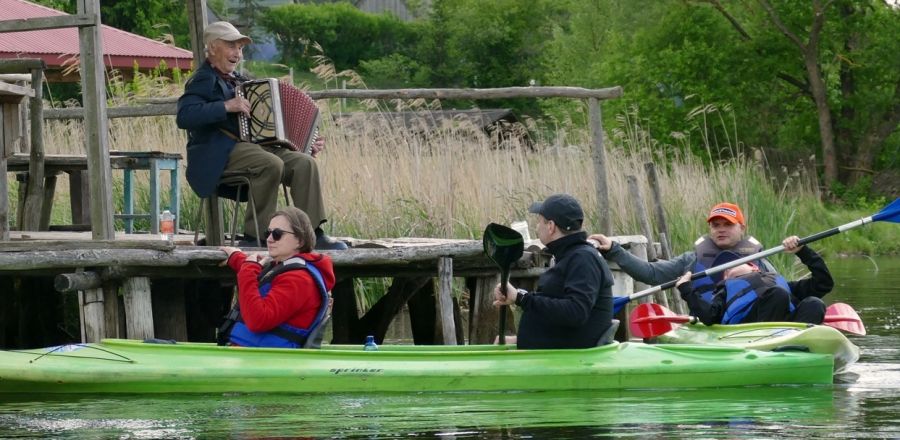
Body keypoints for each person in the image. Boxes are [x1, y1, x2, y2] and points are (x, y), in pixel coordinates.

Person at [176, 21, 346, 250]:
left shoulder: (242, 80)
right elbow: (185, 116)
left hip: (253, 149)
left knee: (304, 163)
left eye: (240, 48)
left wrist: (305, 144)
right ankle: (254, 236)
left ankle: (312, 234)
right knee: (270, 163)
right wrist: (226, 106)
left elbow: (266, 127)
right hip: (217, 154)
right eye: (231, 46)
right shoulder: (203, 79)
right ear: (213, 47)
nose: (237, 53)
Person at [492, 194, 615, 349]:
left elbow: (576, 313)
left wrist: (521, 298)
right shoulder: (571, 256)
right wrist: (520, 339)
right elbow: (560, 316)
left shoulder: (583, 259)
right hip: (557, 353)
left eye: (539, 221)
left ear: (550, 226)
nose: (536, 227)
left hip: (575, 361)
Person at [218, 206, 336, 348]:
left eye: (277, 234)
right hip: (254, 355)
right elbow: (264, 272)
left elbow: (258, 321)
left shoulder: (299, 280)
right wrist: (237, 258)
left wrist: (247, 271)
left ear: (300, 240)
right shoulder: (286, 267)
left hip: (267, 360)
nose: (269, 239)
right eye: (267, 233)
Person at [674, 235, 833, 325]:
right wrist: (686, 289)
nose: (727, 269)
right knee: (778, 295)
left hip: (791, 331)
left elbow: (823, 283)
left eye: (734, 264)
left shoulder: (782, 284)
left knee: (814, 303)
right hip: (749, 331)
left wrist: (803, 251)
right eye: (724, 271)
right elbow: (708, 316)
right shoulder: (724, 292)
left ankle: (803, 349)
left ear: (754, 267)